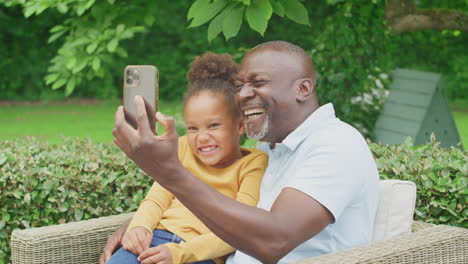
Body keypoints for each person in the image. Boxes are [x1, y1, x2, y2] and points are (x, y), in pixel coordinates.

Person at [109, 41, 379, 264]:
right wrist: (143, 229)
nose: (243, 95)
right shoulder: (272, 149)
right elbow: (231, 211)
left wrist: (167, 171)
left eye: (258, 82)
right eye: (239, 86)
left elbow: (274, 240)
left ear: (303, 89)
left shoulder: (335, 144)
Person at [106, 52, 268, 264]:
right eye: (192, 128)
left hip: (201, 254)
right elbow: (157, 197)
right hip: (156, 239)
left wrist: (179, 253)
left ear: (239, 126)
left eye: (214, 125)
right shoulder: (183, 147)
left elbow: (240, 230)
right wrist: (140, 226)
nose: (202, 137)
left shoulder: (253, 164)